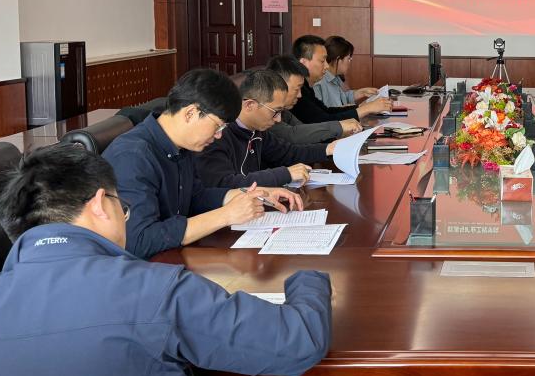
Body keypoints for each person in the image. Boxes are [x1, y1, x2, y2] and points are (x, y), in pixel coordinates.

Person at [0, 144, 332, 376]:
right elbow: (297, 341)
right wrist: (308, 276)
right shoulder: (155, 289)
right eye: (124, 208)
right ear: (100, 204)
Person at [104, 68, 302, 259]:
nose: (219, 135)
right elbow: (139, 241)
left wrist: (252, 194)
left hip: (172, 257)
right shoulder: (132, 156)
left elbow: (196, 197)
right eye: (218, 126)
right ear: (190, 113)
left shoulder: (183, 146)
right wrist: (226, 215)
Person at [197, 70, 338, 188]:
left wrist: (329, 149)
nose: (278, 119)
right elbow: (224, 184)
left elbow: (289, 152)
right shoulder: (215, 135)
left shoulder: (257, 131)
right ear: (249, 105)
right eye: (275, 111)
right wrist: (285, 174)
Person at [291, 35, 391, 124]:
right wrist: (365, 108)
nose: (326, 66)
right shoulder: (305, 88)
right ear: (303, 63)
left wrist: (363, 106)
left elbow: (327, 111)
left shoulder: (306, 88)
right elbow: (324, 120)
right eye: (322, 61)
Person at [266, 54, 361, 144]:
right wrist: (339, 127)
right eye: (296, 89)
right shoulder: (266, 111)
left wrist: (336, 138)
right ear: (279, 85)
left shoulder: (285, 111)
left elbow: (303, 130)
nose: (300, 95)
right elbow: (293, 134)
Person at [313, 35, 380, 107]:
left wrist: (362, 92)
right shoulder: (319, 82)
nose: (350, 61)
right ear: (338, 60)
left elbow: (342, 98)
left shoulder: (336, 77)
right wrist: (361, 108)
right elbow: (325, 112)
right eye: (349, 58)